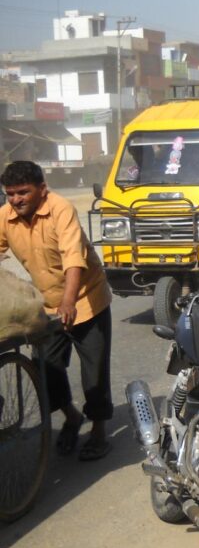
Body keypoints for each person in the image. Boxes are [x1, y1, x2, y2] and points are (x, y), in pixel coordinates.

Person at [0, 161, 114, 460]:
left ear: (42, 189)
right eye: (10, 194)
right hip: (48, 304)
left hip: (87, 299)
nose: (16, 200)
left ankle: (99, 431)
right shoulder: (5, 216)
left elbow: (73, 258)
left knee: (94, 373)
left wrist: (69, 301)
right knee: (46, 368)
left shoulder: (61, 209)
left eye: (23, 192)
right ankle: (72, 416)